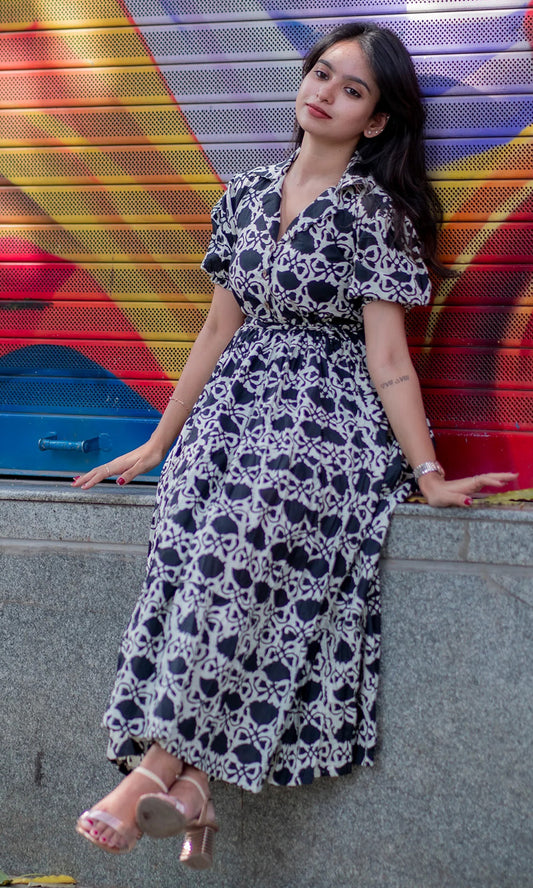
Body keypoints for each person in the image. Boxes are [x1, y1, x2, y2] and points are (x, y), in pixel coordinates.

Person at [73, 21, 517, 868]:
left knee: (246, 533)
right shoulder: (243, 196)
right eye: (321, 73)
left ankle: (152, 774)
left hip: (327, 421)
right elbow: (215, 329)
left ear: (374, 121)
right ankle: (193, 790)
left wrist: (426, 472)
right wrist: (160, 442)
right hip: (231, 412)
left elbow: (389, 360)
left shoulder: (374, 214)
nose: (325, 94)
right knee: (192, 541)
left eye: (352, 90)